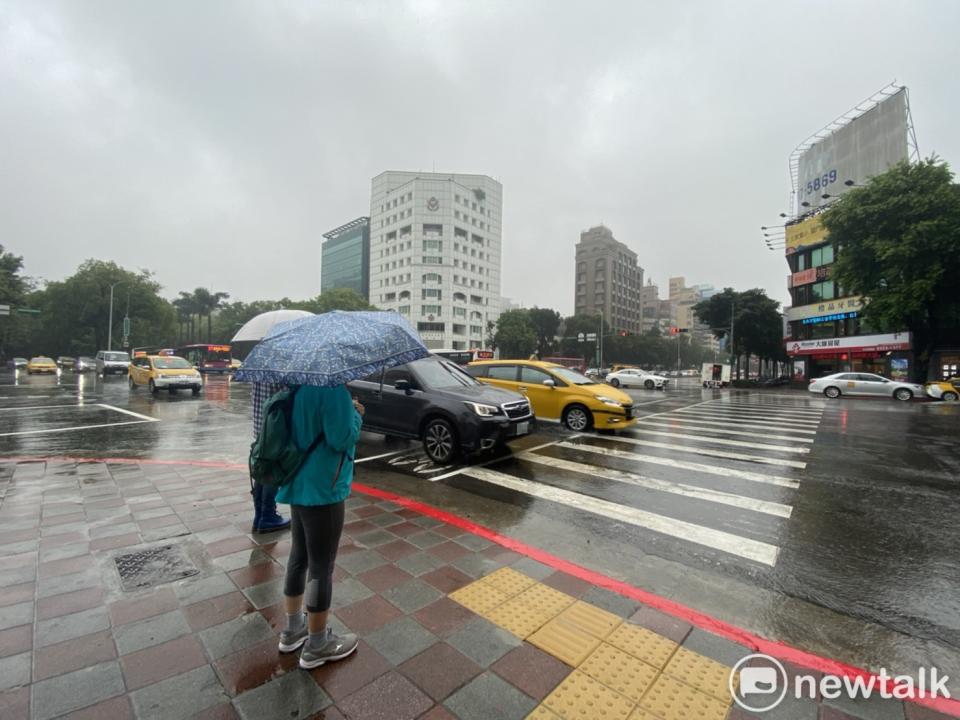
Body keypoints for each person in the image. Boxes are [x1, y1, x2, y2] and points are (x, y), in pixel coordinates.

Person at [276, 384, 364, 669]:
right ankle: (317, 643)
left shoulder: (297, 390)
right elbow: (342, 439)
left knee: (298, 556)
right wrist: (356, 414)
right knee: (321, 566)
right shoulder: (333, 392)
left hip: (297, 482)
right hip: (324, 488)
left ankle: (293, 630)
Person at [250, 380, 291, 533]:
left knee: (262, 468)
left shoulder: (262, 366)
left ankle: (260, 515)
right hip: (274, 428)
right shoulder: (282, 368)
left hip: (260, 426)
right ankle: (267, 516)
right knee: (272, 471)